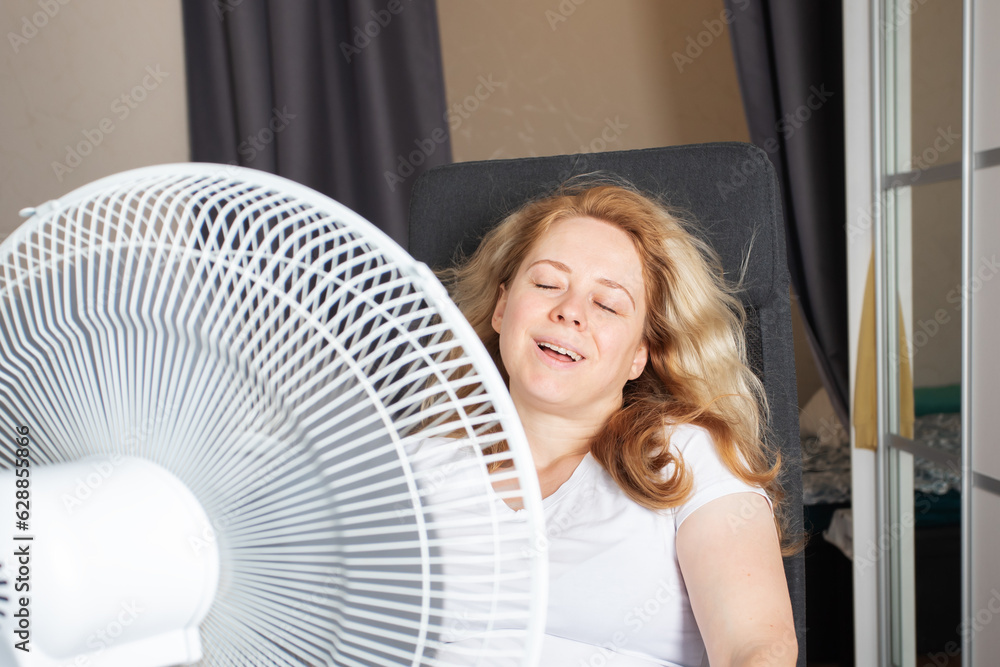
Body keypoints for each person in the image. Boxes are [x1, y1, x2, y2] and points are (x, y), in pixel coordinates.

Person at [438, 180, 798, 666]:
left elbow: (756, 649)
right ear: (502, 308)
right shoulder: (413, 468)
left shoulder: (685, 457)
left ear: (640, 356)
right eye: (547, 284)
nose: (569, 311)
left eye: (607, 304)